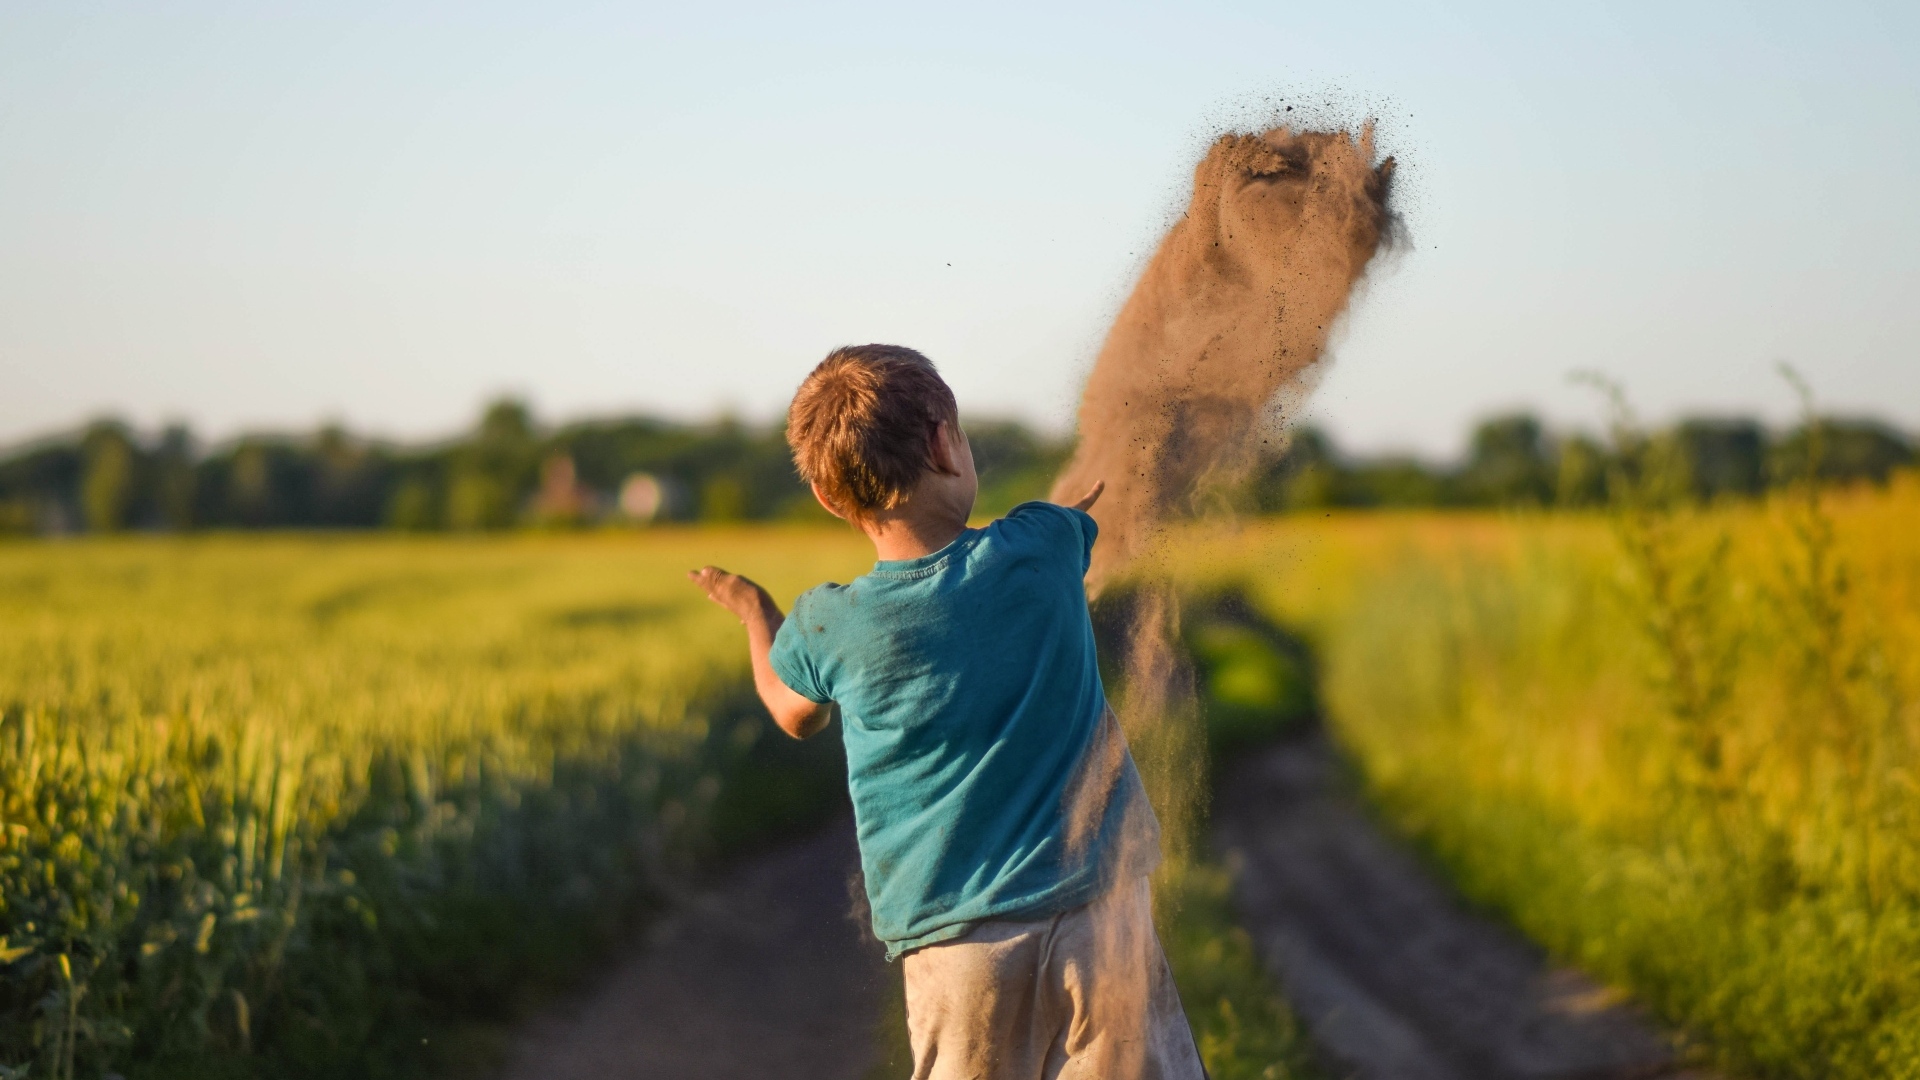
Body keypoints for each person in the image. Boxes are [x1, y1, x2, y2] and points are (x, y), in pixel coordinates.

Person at [689, 344, 1205, 1080]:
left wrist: (754, 611)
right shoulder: (1043, 541)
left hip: (957, 950)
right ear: (942, 443)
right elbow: (1069, 522)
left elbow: (791, 710)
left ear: (829, 498)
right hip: (1100, 916)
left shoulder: (827, 625)